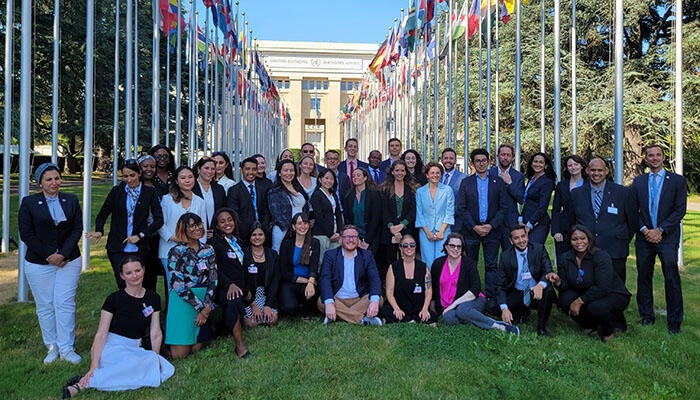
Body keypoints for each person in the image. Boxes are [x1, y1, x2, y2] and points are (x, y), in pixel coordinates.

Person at [61, 256, 174, 398]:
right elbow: (101, 334)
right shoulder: (113, 299)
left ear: (144, 270)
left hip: (134, 348)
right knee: (130, 365)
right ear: (122, 275)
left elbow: (155, 332)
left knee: (163, 367)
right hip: (111, 346)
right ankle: (83, 384)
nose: (134, 275)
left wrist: (155, 356)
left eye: (138, 270)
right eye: (128, 273)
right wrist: (94, 366)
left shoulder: (153, 297)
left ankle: (96, 379)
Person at [18, 162, 83, 364]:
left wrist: (62, 254)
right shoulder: (28, 203)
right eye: (49, 179)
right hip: (39, 263)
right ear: (40, 183)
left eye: (57, 178)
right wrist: (50, 255)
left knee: (64, 303)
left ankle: (67, 347)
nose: (54, 183)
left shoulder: (71, 200)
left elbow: (77, 229)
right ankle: (52, 346)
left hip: (69, 261)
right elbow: (26, 234)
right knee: (45, 305)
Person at [630, 144, 687, 334]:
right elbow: (632, 210)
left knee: (671, 279)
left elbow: (680, 210)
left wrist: (660, 230)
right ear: (645, 159)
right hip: (644, 237)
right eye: (650, 155)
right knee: (643, 277)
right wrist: (645, 230)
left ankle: (674, 321)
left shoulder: (677, 181)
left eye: (658, 155)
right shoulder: (638, 182)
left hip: (667, 237)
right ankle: (647, 316)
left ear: (663, 157)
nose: (654, 158)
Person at [546, 225, 630, 342]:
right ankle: (590, 324)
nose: (579, 242)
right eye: (574, 239)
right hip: (586, 290)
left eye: (582, 238)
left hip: (612, 293)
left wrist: (579, 301)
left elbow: (602, 287)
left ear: (589, 239)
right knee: (564, 299)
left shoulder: (601, 256)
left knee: (595, 307)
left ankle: (608, 331)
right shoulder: (565, 258)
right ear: (570, 241)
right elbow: (565, 286)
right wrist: (558, 281)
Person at [89, 159, 164, 290]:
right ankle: (128, 309)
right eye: (125, 176)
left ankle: (147, 309)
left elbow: (159, 220)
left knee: (143, 283)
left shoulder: (149, 193)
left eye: (132, 175)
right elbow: (103, 214)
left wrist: (140, 235)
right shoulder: (117, 191)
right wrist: (99, 230)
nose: (129, 180)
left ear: (139, 173)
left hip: (140, 247)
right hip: (117, 246)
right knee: (123, 284)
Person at [431, 233, 519, 335]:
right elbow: (434, 288)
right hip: (448, 305)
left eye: (459, 246)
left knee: (462, 310)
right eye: (452, 246)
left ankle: (497, 326)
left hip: (473, 299)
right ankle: (475, 318)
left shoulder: (469, 263)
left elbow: (475, 290)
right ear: (446, 246)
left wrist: (452, 306)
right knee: (448, 318)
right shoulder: (438, 264)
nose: (455, 249)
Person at [570, 157, 634, 283]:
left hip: (615, 248)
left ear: (606, 171)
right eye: (593, 170)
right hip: (587, 249)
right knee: (589, 283)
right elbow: (572, 220)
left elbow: (632, 220)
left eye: (600, 170)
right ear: (587, 171)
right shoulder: (577, 193)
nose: (596, 173)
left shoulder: (622, 192)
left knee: (616, 286)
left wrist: (623, 238)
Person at [454, 148, 506, 299]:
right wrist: (474, 226)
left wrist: (491, 225)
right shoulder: (466, 182)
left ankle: (491, 298)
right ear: (472, 163)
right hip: (471, 231)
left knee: (491, 266)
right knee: (471, 265)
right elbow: (461, 207)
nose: (481, 164)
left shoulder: (498, 182)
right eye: (478, 161)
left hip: (492, 231)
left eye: (484, 160)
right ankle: (472, 295)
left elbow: (503, 208)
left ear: (489, 162)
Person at [165, 213, 218, 359]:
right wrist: (202, 309)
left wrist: (207, 305)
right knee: (179, 355)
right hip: (183, 300)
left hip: (204, 298)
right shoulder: (176, 252)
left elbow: (213, 279)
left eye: (199, 224)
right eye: (192, 226)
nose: (198, 228)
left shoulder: (209, 250)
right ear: (183, 230)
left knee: (195, 349)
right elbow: (178, 285)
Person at [496, 226, 555, 336]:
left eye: (523, 236)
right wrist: (504, 308)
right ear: (511, 241)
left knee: (549, 291)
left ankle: (541, 328)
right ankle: (522, 311)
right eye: (516, 238)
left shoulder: (539, 249)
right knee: (493, 307)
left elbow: (548, 271)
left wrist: (540, 286)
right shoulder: (505, 256)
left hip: (536, 291)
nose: (521, 240)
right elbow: (500, 284)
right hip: (518, 292)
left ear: (527, 236)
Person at [318, 225, 382, 325]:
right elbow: (324, 279)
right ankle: (363, 320)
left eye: (354, 237)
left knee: (378, 299)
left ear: (358, 239)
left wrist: (374, 302)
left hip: (359, 299)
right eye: (347, 237)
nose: (351, 240)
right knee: (322, 301)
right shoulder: (330, 255)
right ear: (340, 239)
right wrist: (330, 303)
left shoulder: (367, 255)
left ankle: (338, 315)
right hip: (337, 299)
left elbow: (375, 279)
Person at [208, 208, 251, 358]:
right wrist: (229, 284)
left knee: (236, 298)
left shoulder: (238, 241)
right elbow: (213, 269)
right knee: (233, 299)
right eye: (222, 221)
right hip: (221, 286)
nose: (227, 223)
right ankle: (239, 345)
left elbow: (243, 267)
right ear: (217, 226)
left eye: (229, 220)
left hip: (240, 287)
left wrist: (247, 288)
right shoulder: (213, 243)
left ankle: (221, 328)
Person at [158, 166, 207, 280]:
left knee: (193, 285)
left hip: (194, 251)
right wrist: (174, 238)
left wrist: (200, 249)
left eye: (190, 177)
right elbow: (160, 224)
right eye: (183, 178)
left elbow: (202, 226)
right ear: (176, 180)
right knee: (174, 287)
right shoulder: (167, 200)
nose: (187, 180)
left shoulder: (200, 201)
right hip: (169, 250)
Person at [380, 235, 436, 324]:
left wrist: (425, 309)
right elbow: (389, 292)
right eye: (405, 245)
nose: (409, 247)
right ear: (400, 247)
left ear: (415, 247)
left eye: (412, 245)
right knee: (389, 312)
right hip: (399, 305)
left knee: (430, 315)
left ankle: (411, 319)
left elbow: (428, 291)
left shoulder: (423, 267)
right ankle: (410, 319)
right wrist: (397, 309)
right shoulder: (393, 267)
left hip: (418, 307)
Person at [378, 160, 417, 281]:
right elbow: (383, 210)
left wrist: (402, 225)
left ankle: (405, 281)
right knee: (390, 258)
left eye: (402, 170)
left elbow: (413, 211)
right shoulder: (385, 189)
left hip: (406, 229)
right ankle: (390, 283)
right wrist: (392, 227)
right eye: (397, 170)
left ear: (406, 172)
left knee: (406, 257)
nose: (400, 173)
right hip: (389, 229)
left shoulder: (412, 189)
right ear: (392, 172)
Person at [277, 213, 321, 318]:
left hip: (308, 281)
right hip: (291, 281)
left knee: (315, 292)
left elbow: (314, 266)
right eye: (299, 223)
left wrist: (310, 282)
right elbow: (284, 271)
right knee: (289, 308)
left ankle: (306, 308)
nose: (303, 226)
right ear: (293, 226)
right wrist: (308, 281)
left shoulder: (314, 243)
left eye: (305, 223)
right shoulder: (286, 244)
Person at [415, 161, 455, 267]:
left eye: (438, 173)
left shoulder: (447, 190)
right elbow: (419, 213)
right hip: (425, 230)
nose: (435, 175)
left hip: (443, 230)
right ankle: (428, 283)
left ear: (441, 175)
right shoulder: (420, 191)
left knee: (442, 260)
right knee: (427, 261)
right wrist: (427, 232)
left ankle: (441, 283)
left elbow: (449, 212)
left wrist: (441, 231)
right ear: (427, 175)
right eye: (432, 173)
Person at [226, 156, 272, 246]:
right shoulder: (234, 190)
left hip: (263, 234)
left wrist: (263, 228)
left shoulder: (263, 188)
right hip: (244, 236)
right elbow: (234, 214)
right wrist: (249, 232)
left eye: (254, 169)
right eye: (247, 169)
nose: (251, 172)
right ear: (241, 170)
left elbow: (267, 210)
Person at [242, 222, 280, 327]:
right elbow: (242, 281)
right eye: (254, 235)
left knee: (272, 320)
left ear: (265, 236)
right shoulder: (243, 254)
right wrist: (253, 304)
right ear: (249, 237)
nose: (257, 237)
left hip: (267, 294)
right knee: (251, 323)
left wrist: (268, 305)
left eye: (260, 234)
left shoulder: (273, 255)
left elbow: (275, 281)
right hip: (249, 296)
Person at [267, 159, 310, 252]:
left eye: (291, 170)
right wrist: (292, 228)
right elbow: (276, 214)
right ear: (279, 173)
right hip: (282, 230)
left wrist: (301, 226)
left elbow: (305, 208)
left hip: (300, 228)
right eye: (286, 170)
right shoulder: (274, 191)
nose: (289, 173)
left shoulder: (298, 188)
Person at [489, 144, 525, 250]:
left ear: (512, 157)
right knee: (491, 258)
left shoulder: (518, 176)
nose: (505, 157)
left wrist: (509, 183)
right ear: (498, 156)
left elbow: (520, 198)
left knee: (510, 254)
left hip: (510, 222)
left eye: (508, 155)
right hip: (492, 220)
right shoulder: (489, 173)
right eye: (503, 154)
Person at [551, 155, 587, 257]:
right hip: (564, 228)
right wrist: (556, 231)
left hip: (584, 225)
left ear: (582, 166)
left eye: (576, 164)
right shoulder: (561, 185)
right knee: (564, 259)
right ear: (567, 168)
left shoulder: (589, 184)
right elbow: (556, 210)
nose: (573, 167)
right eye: (570, 165)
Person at [342, 167, 382, 256]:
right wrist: (357, 239)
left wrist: (367, 241)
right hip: (354, 237)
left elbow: (376, 218)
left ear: (365, 178)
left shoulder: (374, 194)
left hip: (371, 236)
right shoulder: (349, 196)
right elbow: (348, 219)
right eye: (353, 176)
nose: (355, 177)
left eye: (358, 175)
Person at [519, 152, 556, 245]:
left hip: (539, 223)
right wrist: (521, 218)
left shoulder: (547, 182)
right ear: (531, 164)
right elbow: (528, 201)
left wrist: (530, 223)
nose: (537, 164)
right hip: (526, 220)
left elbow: (543, 206)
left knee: (535, 251)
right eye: (535, 161)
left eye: (541, 162)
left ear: (546, 165)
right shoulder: (531, 179)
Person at [309, 169, 344, 260]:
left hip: (335, 233)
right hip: (322, 234)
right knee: (322, 261)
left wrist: (339, 231)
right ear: (320, 179)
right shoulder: (316, 195)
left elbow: (338, 214)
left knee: (334, 260)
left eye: (331, 179)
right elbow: (319, 216)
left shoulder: (333, 194)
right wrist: (330, 234)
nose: (329, 181)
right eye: (326, 178)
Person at [192, 156, 227, 232]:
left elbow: (222, 212)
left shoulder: (219, 189)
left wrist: (215, 231)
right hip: (194, 233)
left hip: (214, 234)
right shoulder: (191, 188)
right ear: (199, 169)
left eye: (212, 169)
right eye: (206, 168)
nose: (210, 171)